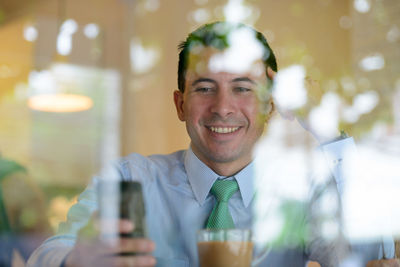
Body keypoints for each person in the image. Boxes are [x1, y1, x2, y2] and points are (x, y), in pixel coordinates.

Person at [27, 21, 382, 267]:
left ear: (269, 106)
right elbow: (50, 253)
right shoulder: (130, 179)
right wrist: (74, 262)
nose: (223, 107)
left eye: (243, 88)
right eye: (204, 88)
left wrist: (330, 136)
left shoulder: (303, 191)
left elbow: (369, 259)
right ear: (181, 105)